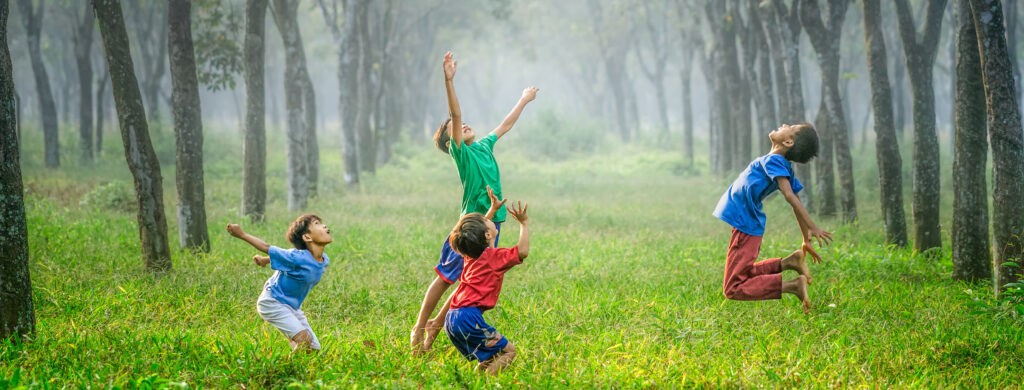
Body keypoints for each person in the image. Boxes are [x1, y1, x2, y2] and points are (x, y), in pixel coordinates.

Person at [411, 51, 538, 354]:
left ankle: (435, 328)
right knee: (445, 277)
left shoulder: (483, 146)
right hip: (470, 225)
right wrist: (448, 80)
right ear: (449, 141)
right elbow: (455, 115)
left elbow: (505, 125)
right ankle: (420, 327)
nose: (463, 124)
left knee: (471, 279)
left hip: (491, 224)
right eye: (454, 128)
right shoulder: (462, 154)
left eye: (465, 124)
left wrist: (523, 99)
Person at [712, 123, 832, 314]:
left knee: (733, 287)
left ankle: (793, 286)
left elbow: (791, 196)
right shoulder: (779, 163)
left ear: (788, 141)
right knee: (743, 273)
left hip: (746, 224)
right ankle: (789, 263)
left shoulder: (775, 161)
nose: (784, 124)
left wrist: (812, 226)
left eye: (790, 126)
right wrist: (805, 238)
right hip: (746, 223)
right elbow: (796, 199)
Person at [445, 195, 529, 375]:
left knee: (490, 356)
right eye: (486, 220)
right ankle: (486, 384)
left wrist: (491, 210)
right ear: (487, 234)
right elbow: (522, 251)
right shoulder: (494, 258)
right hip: (469, 319)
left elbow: (477, 233)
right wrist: (524, 223)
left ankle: (475, 381)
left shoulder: (470, 255)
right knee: (509, 351)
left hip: (452, 318)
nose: (487, 218)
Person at [226, 214, 332, 351]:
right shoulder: (297, 257)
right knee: (304, 341)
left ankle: (298, 364)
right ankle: (286, 369)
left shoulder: (324, 260)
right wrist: (241, 234)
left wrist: (264, 260)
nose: (324, 226)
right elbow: (267, 247)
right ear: (307, 237)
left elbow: (286, 259)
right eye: (317, 223)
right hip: (272, 302)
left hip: (292, 307)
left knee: (313, 349)